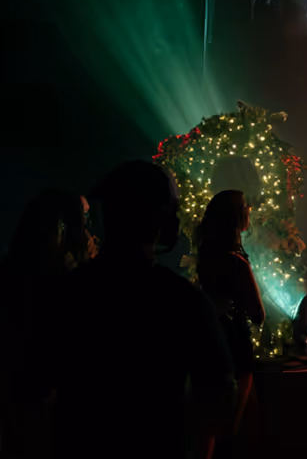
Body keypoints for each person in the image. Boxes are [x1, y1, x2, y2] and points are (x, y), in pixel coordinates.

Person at [50, 161, 234, 459]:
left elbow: (32, 394)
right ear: (159, 219)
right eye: (173, 209)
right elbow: (220, 400)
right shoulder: (183, 300)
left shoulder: (67, 293)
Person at [0, 189, 96, 459]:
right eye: (84, 221)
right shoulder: (62, 288)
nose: (91, 233)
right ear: (61, 229)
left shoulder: (10, 278)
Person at [194, 191, 266, 458]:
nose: (250, 211)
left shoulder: (205, 256)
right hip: (237, 346)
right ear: (237, 217)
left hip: (214, 342)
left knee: (216, 425)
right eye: (246, 207)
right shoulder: (235, 262)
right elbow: (258, 315)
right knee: (233, 429)